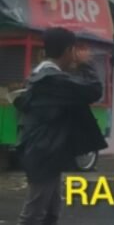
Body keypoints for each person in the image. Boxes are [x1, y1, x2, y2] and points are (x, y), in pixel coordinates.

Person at [14, 28, 106, 225]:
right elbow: (93, 90)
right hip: (44, 154)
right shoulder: (51, 80)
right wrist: (86, 64)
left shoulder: (42, 75)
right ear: (68, 50)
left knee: (50, 213)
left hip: (46, 152)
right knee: (33, 215)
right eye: (74, 50)